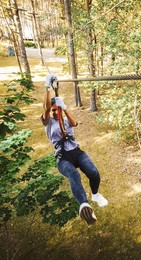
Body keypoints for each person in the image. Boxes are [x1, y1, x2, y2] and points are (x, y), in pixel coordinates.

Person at [41, 74, 108, 225]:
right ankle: (84, 205)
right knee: (73, 174)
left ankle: (95, 195)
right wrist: (47, 87)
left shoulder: (65, 119)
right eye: (53, 111)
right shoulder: (48, 123)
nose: (54, 112)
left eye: (56, 110)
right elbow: (45, 108)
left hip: (76, 152)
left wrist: (64, 109)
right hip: (63, 157)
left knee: (94, 173)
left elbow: (75, 123)